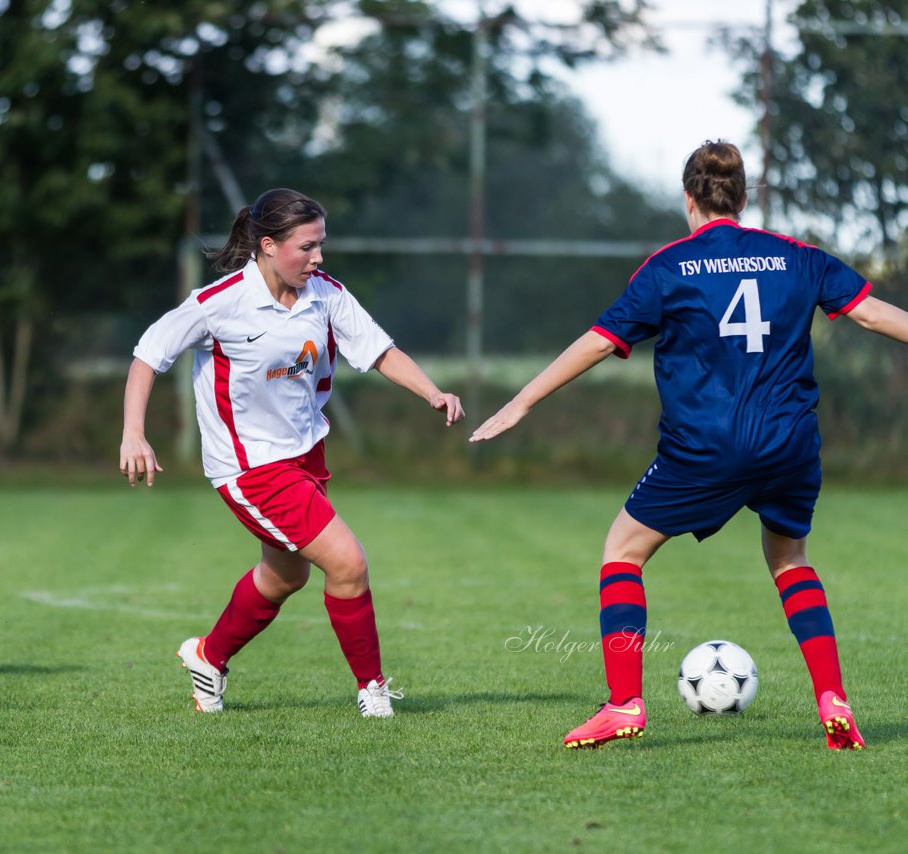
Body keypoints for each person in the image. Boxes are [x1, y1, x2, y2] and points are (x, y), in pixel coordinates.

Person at [471, 139, 908, 750]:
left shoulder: (669, 267)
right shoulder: (799, 257)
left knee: (622, 552)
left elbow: (599, 341)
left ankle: (624, 705)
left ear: (689, 198)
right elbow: (872, 315)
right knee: (791, 561)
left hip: (707, 447)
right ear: (742, 196)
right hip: (790, 444)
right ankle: (832, 696)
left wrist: (520, 401)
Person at [121, 188, 463, 717]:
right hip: (250, 466)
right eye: (307, 246)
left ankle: (208, 657)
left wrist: (432, 391)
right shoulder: (220, 304)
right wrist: (133, 433)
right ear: (267, 245)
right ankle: (372, 690)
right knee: (347, 562)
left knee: (285, 576)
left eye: (321, 244)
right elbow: (148, 354)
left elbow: (378, 351)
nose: (318, 257)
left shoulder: (325, 294)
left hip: (305, 454)